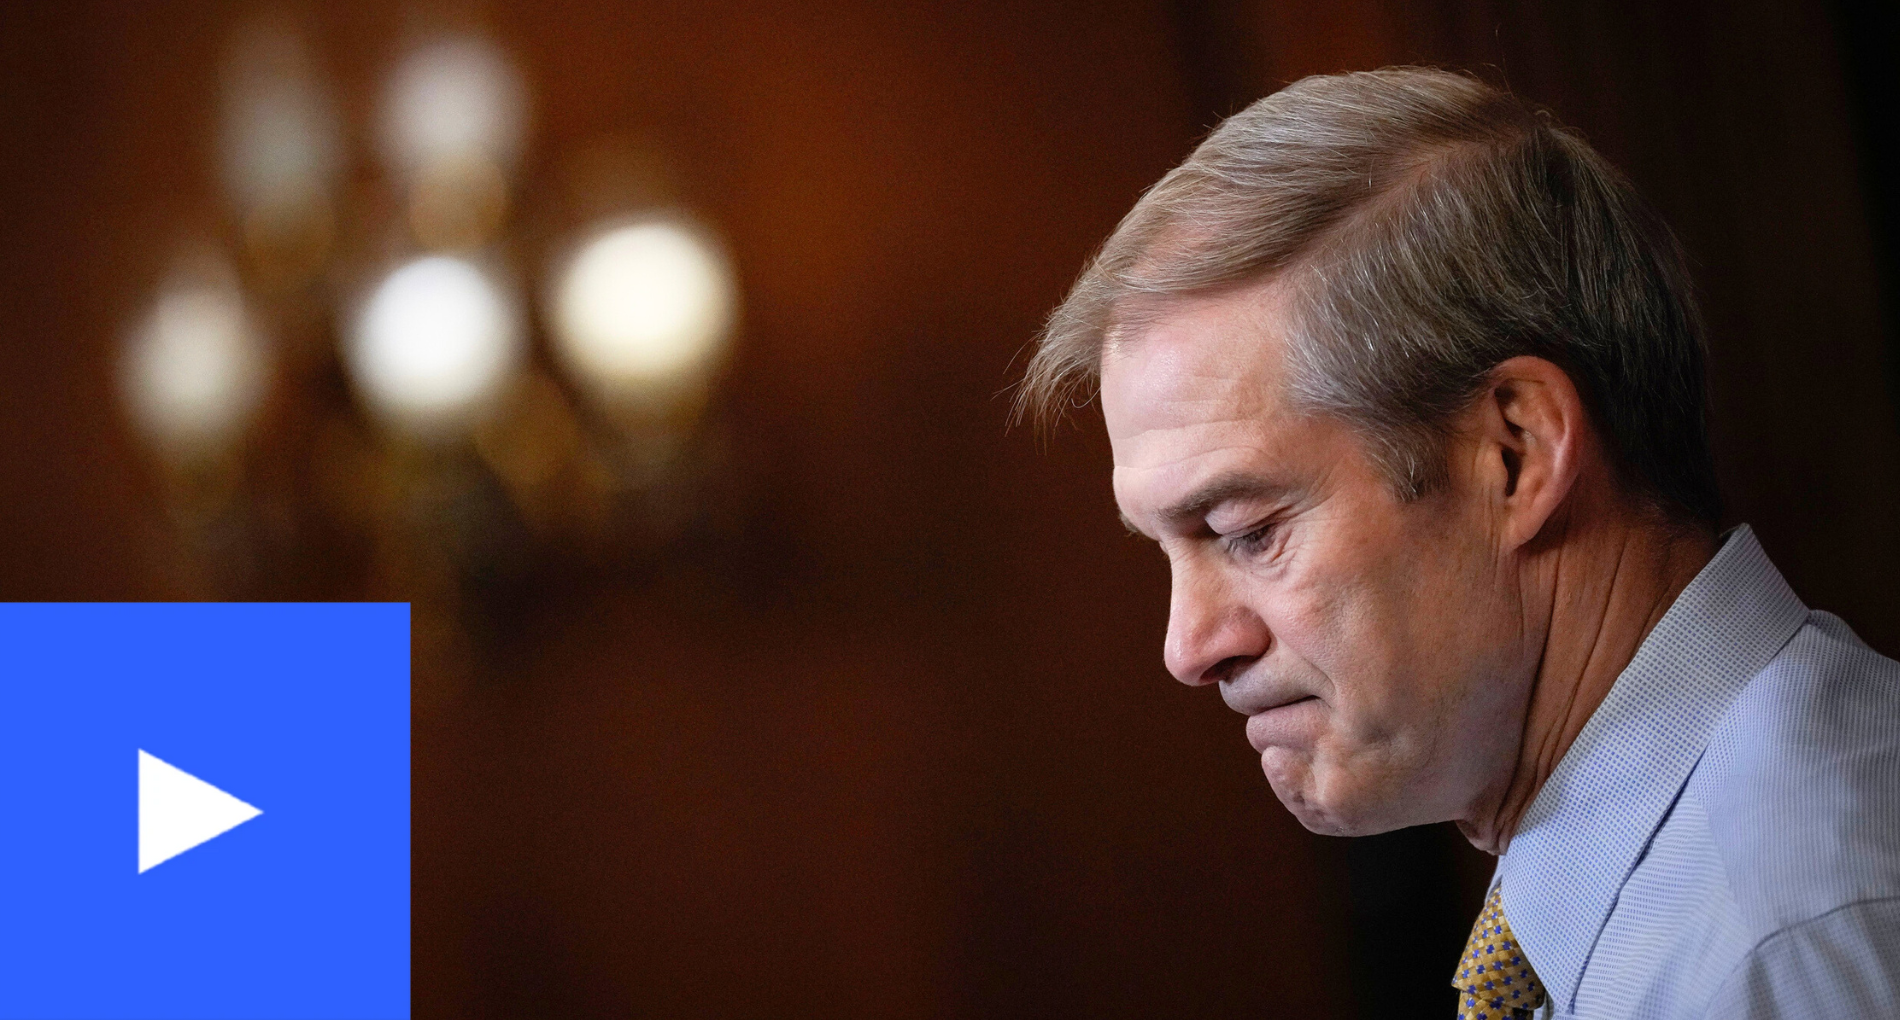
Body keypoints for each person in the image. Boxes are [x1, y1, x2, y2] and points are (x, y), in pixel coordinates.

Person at [1016, 67, 1900, 1018]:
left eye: (1247, 531)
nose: (1188, 647)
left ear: (1514, 455)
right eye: (1166, 547)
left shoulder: (1772, 944)